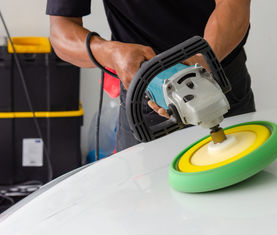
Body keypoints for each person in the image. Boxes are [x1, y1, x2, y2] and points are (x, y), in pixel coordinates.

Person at [46, 0, 255, 151]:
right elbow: (61, 31)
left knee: (246, 191)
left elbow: (233, 4)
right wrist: (109, 53)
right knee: (147, 204)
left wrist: (203, 57)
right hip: (144, 94)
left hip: (217, 77)